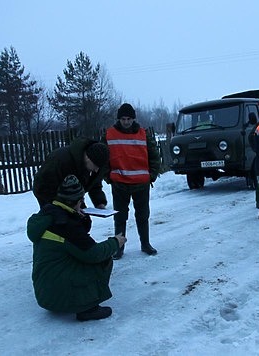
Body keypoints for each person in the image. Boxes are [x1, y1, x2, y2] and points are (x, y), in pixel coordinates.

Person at [26, 175, 127, 321]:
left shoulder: (49, 214)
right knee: (103, 259)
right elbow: (94, 253)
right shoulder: (67, 225)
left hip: (44, 295)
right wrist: (116, 242)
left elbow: (78, 241)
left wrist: (79, 217)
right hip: (60, 299)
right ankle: (88, 307)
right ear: (78, 201)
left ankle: (72, 298)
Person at [105, 103, 161, 259]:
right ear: (119, 119)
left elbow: (154, 156)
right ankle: (119, 248)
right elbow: (103, 158)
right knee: (120, 217)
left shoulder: (143, 134)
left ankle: (145, 244)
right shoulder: (110, 135)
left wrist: (152, 175)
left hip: (141, 183)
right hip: (119, 183)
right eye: (123, 119)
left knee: (143, 216)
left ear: (133, 119)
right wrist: (108, 177)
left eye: (129, 119)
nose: (126, 122)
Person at [33, 138, 110, 209]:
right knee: (60, 220)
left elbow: (94, 183)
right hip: (48, 194)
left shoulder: (96, 163)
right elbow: (44, 188)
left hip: (74, 197)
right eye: (95, 166)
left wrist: (99, 202)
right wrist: (68, 206)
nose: (96, 170)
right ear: (87, 158)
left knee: (82, 219)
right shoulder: (61, 161)